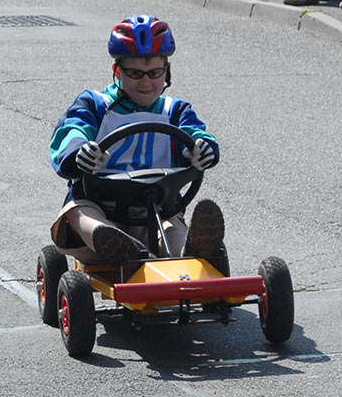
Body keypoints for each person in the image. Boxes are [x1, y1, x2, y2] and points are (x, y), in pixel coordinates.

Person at [48, 15, 222, 265]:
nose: (146, 82)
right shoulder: (95, 104)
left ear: (167, 71)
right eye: (135, 73)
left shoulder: (175, 111)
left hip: (156, 211)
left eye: (154, 72)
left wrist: (203, 148)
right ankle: (121, 248)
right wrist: (78, 151)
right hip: (100, 205)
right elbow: (72, 130)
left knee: (172, 229)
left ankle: (191, 253)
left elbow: (196, 132)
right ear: (117, 71)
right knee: (77, 211)